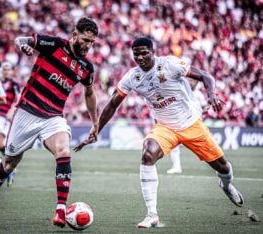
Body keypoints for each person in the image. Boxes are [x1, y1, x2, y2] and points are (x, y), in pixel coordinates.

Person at [74, 37, 244, 228]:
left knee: (223, 168)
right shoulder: (132, 76)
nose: (139, 57)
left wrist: (212, 94)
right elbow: (113, 104)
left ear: (153, 52)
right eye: (135, 54)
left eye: (144, 52)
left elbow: (206, 76)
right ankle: (152, 214)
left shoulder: (170, 64)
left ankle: (226, 185)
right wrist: (96, 128)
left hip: (191, 124)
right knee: (148, 154)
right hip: (165, 128)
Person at [0, 17, 99, 228]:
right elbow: (20, 40)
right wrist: (24, 46)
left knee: (63, 150)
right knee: (8, 164)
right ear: (74, 35)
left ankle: (61, 210)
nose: (89, 45)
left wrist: (95, 122)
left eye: (92, 42)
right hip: (27, 111)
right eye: (86, 40)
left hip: (53, 116)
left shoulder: (86, 67)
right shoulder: (54, 45)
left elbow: (89, 93)